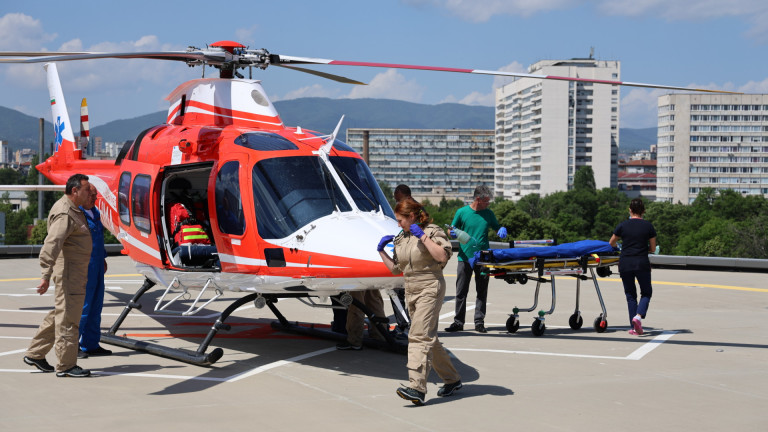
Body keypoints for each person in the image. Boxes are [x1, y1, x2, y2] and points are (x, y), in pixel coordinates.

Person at [378, 197, 462, 406]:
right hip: (411, 288)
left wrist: (423, 237)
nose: (398, 224)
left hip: (430, 286)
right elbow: (396, 269)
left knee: (417, 336)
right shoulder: (402, 237)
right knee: (428, 338)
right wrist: (381, 251)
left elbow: (442, 256)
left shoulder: (432, 231)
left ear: (412, 216)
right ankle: (452, 380)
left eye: (400, 220)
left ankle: (416, 387)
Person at [23, 174, 93, 377]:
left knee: (60, 314)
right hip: (69, 273)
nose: (90, 193)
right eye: (87, 189)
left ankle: (35, 354)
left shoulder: (74, 210)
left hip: (75, 273)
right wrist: (45, 275)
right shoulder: (65, 213)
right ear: (75, 191)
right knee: (68, 320)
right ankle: (66, 365)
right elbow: (51, 244)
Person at [446, 185, 507, 333]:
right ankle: (458, 322)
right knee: (461, 291)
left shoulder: (489, 213)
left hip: (483, 258)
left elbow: (496, 226)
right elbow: (450, 229)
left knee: (481, 290)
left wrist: (500, 229)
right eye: (486, 201)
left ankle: (479, 322)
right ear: (478, 199)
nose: (488, 204)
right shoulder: (462, 212)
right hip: (465, 257)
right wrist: (451, 233)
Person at [609, 198, 657, 336]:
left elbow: (611, 243)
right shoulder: (648, 226)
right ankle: (638, 316)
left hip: (625, 263)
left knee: (630, 295)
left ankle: (634, 327)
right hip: (641, 263)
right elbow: (653, 248)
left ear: (630, 210)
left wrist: (622, 247)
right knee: (646, 292)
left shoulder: (623, 225)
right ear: (644, 211)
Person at [77, 184, 112, 358]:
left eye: (95, 195)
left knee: (95, 307)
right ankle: (72, 346)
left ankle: (90, 344)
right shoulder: (77, 214)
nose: (94, 198)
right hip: (85, 266)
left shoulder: (95, 213)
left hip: (97, 264)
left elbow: (99, 238)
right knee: (82, 307)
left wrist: (103, 258)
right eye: (91, 195)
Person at [389, 184, 412, 336]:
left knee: (398, 290)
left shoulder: (408, 209)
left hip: (408, 255)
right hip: (406, 253)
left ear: (401, 193)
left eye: (396, 194)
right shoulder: (414, 207)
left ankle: (403, 324)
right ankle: (406, 324)